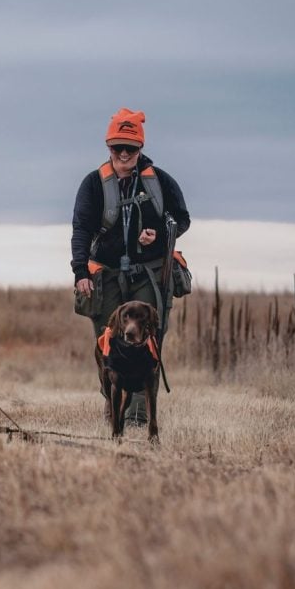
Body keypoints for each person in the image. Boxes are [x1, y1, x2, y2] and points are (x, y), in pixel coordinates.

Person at [71, 108, 190, 422]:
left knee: (146, 343)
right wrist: (80, 272)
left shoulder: (161, 182)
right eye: (117, 147)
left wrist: (161, 237)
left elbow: (183, 220)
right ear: (108, 146)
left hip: (148, 275)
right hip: (105, 276)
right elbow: (81, 230)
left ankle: (138, 415)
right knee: (108, 344)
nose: (123, 154)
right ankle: (113, 406)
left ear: (141, 149)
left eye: (131, 148)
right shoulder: (92, 184)